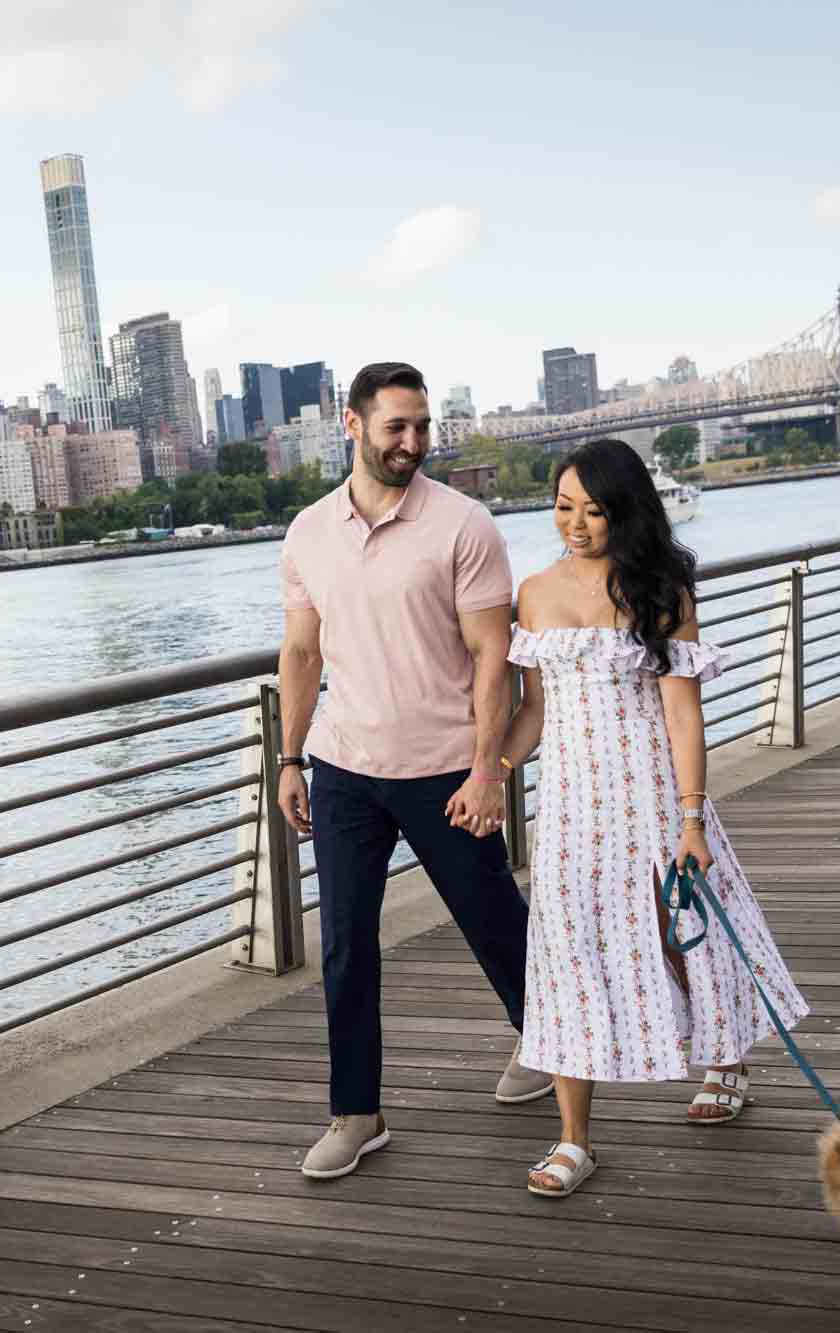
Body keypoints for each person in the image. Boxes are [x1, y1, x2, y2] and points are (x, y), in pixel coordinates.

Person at [503, 438, 809, 1198]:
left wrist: (692, 821)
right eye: (563, 505)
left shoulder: (661, 590)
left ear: (625, 510)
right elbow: (534, 709)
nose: (575, 523)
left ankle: (726, 1057)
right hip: (570, 814)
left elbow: (682, 715)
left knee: (684, 941)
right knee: (566, 960)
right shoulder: (534, 592)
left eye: (594, 509)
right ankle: (575, 1139)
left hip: (650, 801)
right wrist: (492, 771)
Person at [279, 361, 553, 1180]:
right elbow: (300, 651)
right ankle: (356, 1110)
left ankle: (544, 1034)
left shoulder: (464, 525)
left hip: (445, 767)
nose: (413, 442)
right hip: (343, 765)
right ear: (353, 426)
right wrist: (289, 758)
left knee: (492, 915)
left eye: (423, 426)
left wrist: (486, 771)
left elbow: (490, 657)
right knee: (345, 943)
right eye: (397, 426)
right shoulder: (307, 531)